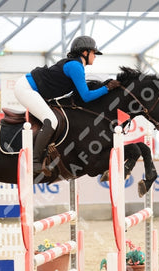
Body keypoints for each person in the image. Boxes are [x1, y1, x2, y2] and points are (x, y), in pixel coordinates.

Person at [14, 35, 121, 174]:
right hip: (26, 88)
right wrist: (107, 88)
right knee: (51, 121)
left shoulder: (76, 65)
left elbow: (80, 96)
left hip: (33, 88)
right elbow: (86, 96)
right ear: (85, 52)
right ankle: (34, 162)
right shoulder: (75, 66)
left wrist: (105, 87)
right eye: (94, 53)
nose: (95, 56)